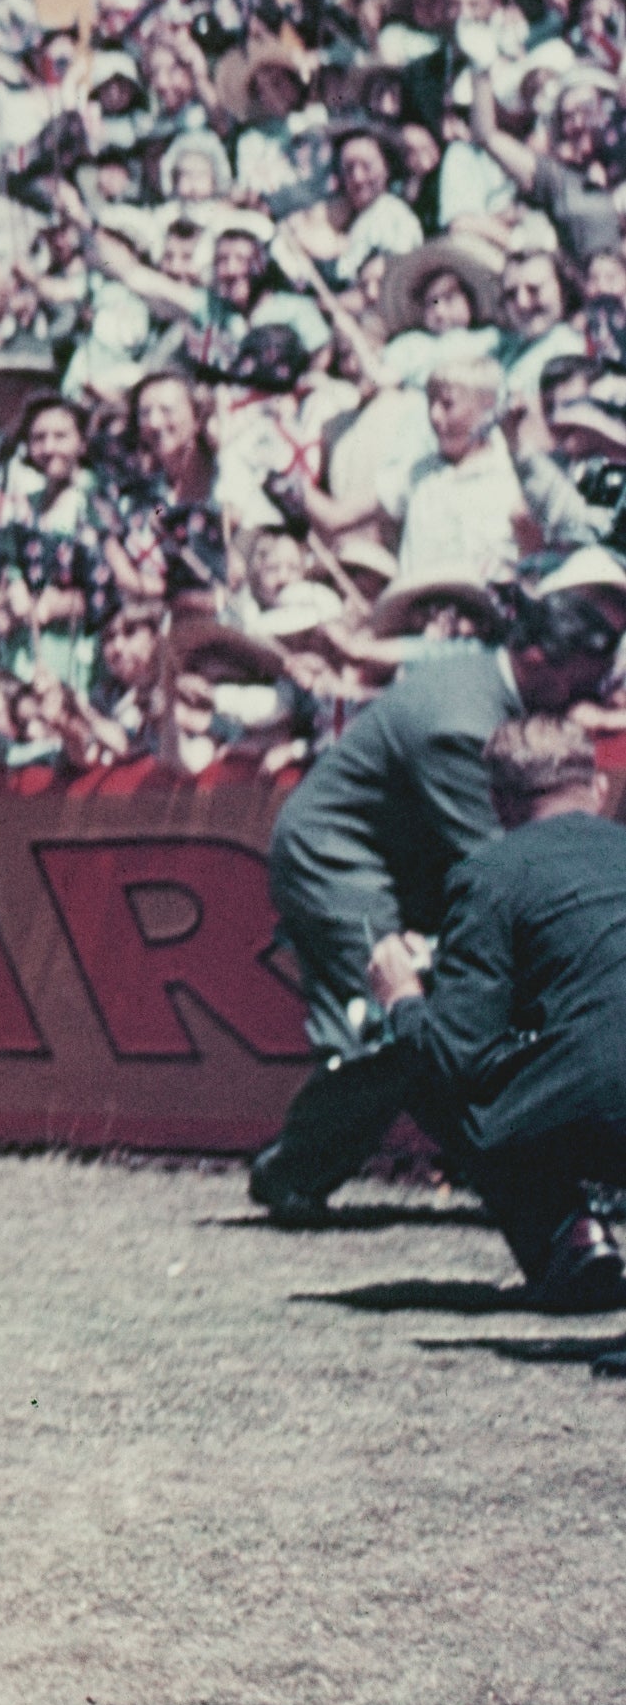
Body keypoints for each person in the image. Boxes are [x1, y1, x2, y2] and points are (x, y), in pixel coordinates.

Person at [252, 551, 626, 1218]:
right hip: (338, 861)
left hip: (395, 857)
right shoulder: (462, 726)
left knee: (417, 1022)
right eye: (583, 683)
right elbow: (515, 868)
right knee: (396, 1022)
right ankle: (294, 1172)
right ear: (538, 659)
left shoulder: (484, 689)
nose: (588, 700)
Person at [398, 713, 626, 1311]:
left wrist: (400, 997)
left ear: (497, 803)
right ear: (599, 787)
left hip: (605, 1117)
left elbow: (457, 1052)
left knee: (428, 1069)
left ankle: (567, 1238)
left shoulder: (489, 876)